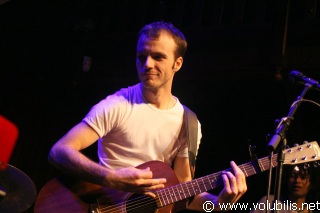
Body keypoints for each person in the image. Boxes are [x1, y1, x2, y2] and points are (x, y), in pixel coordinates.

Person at [48, 21, 247, 212]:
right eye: (142, 56)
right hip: (100, 206)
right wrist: (110, 177)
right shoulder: (117, 105)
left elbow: (183, 197)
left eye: (158, 57)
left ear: (177, 64)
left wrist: (220, 205)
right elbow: (59, 151)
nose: (147, 64)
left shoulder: (189, 123)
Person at [250, 164, 319, 213]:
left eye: (303, 177)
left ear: (312, 183)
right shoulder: (269, 202)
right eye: (292, 175)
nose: (297, 180)